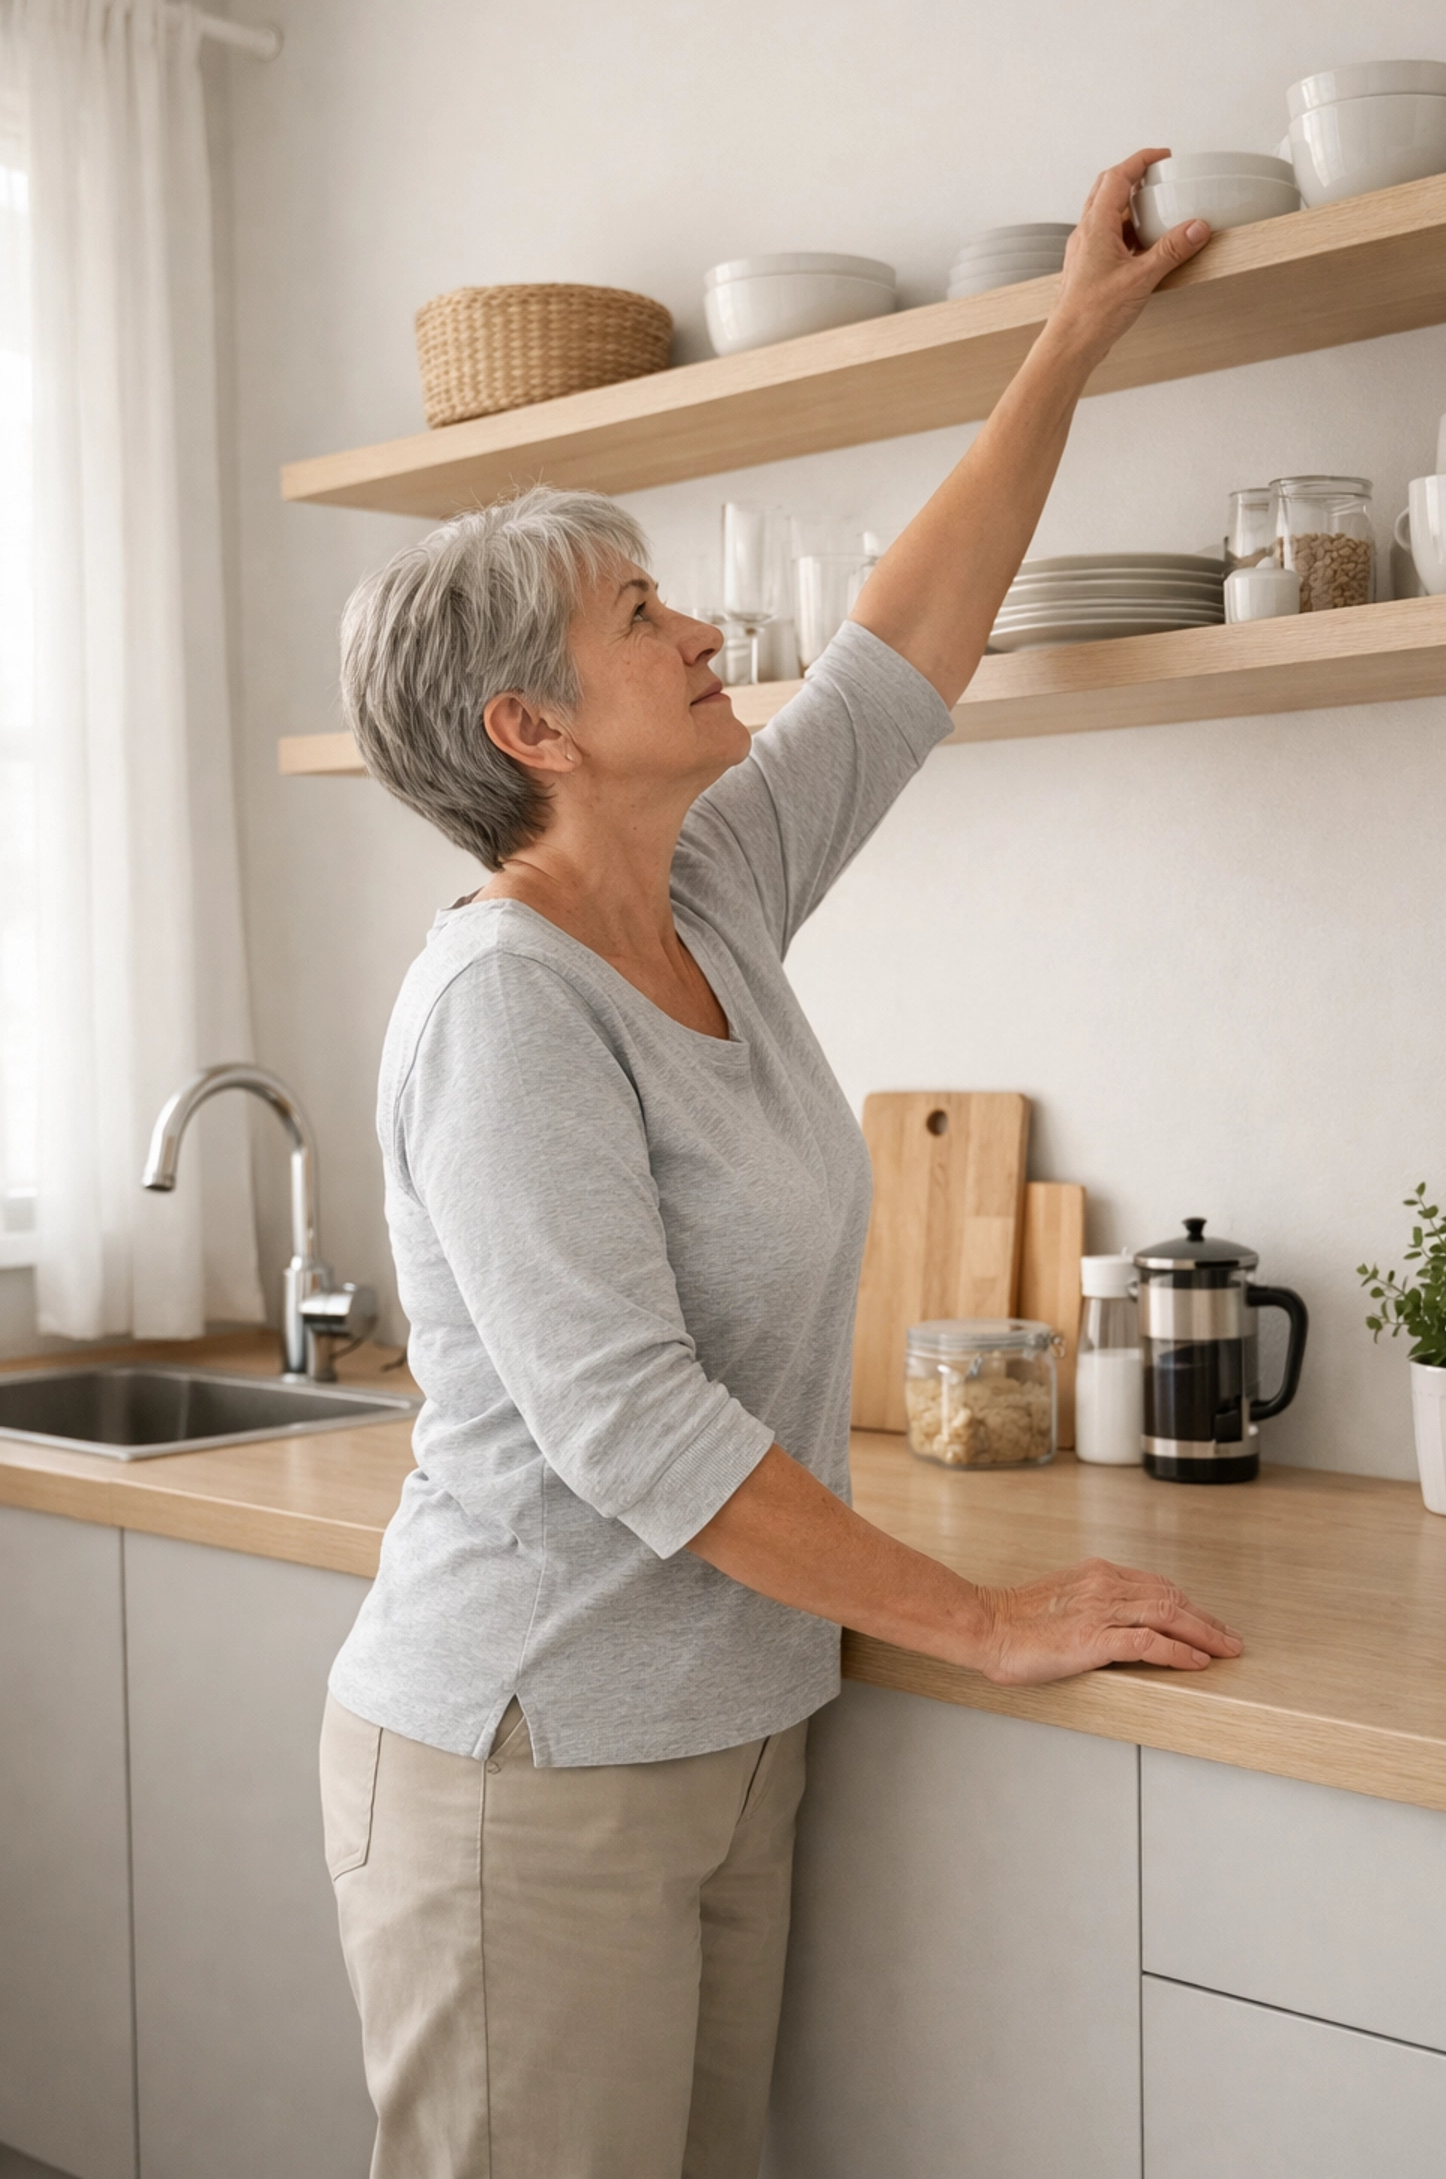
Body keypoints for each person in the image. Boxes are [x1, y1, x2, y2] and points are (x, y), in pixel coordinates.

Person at [320, 150, 1232, 2179]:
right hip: (530, 1755)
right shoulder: (504, 1008)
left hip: (729, 1725)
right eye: (641, 616)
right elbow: (636, 1428)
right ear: (534, 729)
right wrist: (983, 1619)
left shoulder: (709, 888)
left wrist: (1070, 339)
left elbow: (904, 642)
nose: (706, 628)